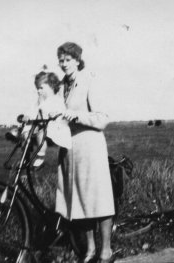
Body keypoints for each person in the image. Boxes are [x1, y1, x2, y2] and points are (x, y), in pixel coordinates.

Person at [55, 42, 115, 263]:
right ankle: (90, 249)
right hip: (71, 151)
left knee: (99, 199)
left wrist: (76, 116)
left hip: (90, 149)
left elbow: (103, 118)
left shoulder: (88, 80)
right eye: (61, 60)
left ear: (78, 60)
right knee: (80, 201)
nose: (64, 64)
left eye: (68, 60)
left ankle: (106, 250)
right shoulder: (62, 86)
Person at [21, 71, 72, 168]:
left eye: (41, 88)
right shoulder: (39, 101)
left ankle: (40, 156)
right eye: (37, 88)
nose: (38, 91)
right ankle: (25, 157)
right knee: (25, 133)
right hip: (40, 125)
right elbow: (33, 110)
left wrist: (55, 113)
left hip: (55, 127)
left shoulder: (56, 100)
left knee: (41, 133)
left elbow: (61, 111)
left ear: (51, 86)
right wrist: (27, 116)